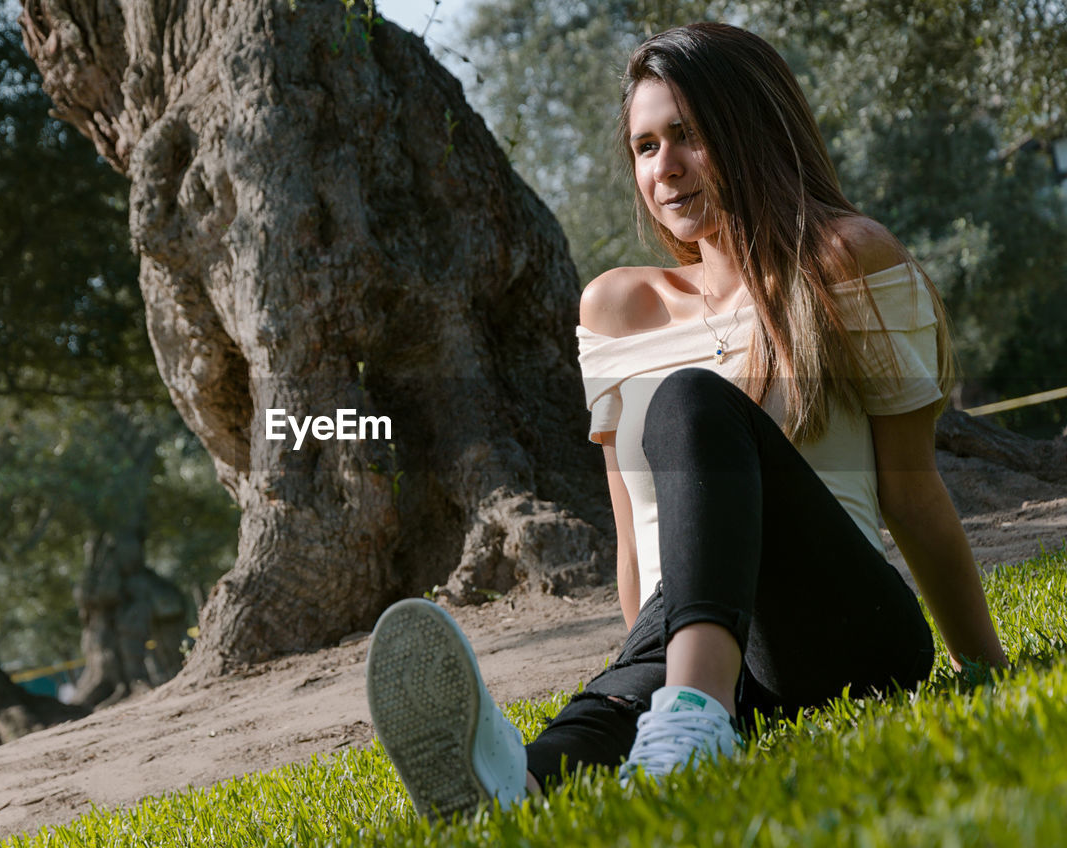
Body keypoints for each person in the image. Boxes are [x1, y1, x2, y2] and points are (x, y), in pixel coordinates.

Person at [364, 21, 1009, 820]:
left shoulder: (847, 261)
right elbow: (638, 546)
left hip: (845, 635)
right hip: (699, 641)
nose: (663, 168)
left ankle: (690, 715)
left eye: (688, 137)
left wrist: (985, 667)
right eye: (644, 147)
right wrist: (646, 664)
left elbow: (915, 500)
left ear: (751, 131)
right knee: (633, 680)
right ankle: (517, 781)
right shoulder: (614, 308)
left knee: (690, 401)